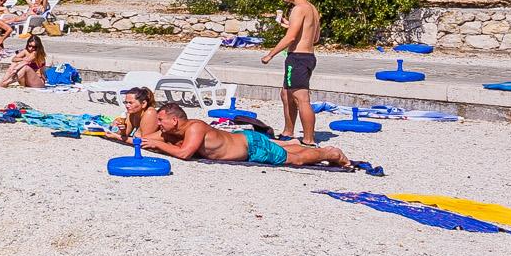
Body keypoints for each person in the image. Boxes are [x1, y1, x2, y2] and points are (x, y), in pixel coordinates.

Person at [146, 100, 355, 170]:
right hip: (245, 139)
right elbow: (148, 139)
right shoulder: (182, 130)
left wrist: (159, 146)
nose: (158, 125)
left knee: (295, 160)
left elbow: (184, 154)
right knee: (284, 149)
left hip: (251, 147)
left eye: (160, 121)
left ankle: (330, 154)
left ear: (174, 120)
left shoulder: (195, 128)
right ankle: (292, 143)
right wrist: (119, 137)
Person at [259, 0, 325, 147]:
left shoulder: (298, 9)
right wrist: (290, 25)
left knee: (301, 98)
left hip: (297, 58)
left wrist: (270, 55)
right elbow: (315, 37)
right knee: (286, 94)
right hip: (307, 57)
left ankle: (308, 140)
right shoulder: (311, 9)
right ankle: (288, 132)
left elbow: (291, 37)